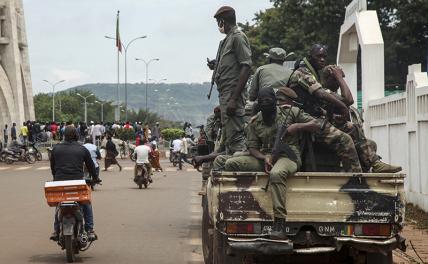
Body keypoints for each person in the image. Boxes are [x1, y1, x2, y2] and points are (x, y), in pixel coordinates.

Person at [223, 88, 320, 240]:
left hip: (288, 157)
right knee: (231, 164)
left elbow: (316, 124)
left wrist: (298, 126)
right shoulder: (255, 122)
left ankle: (279, 224)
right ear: (259, 104)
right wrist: (264, 158)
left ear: (275, 101)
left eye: (269, 100)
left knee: (276, 174)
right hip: (267, 157)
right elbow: (253, 148)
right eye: (262, 101)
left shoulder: (291, 112)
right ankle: (238, 206)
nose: (266, 103)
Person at [288, 44, 362, 172]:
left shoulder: (315, 76)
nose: (322, 59)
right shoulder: (302, 72)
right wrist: (343, 107)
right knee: (345, 140)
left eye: (324, 57)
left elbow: (348, 100)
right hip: (305, 120)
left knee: (352, 128)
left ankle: (372, 164)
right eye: (319, 56)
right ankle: (356, 178)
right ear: (310, 57)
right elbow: (321, 93)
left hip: (316, 119)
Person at [320, 65, 402, 173]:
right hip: (322, 133)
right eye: (335, 79)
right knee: (351, 127)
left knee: (370, 143)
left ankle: (369, 168)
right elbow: (349, 100)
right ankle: (375, 164)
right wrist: (340, 77)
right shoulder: (323, 91)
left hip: (332, 132)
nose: (338, 83)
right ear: (327, 79)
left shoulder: (332, 94)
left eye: (339, 79)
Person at [208, 6, 252, 155]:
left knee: (236, 138)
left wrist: (234, 98)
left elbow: (246, 66)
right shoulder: (227, 40)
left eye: (218, 23)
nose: (218, 26)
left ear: (223, 21)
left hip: (232, 94)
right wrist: (216, 65)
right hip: (225, 94)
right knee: (228, 136)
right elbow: (231, 64)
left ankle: (240, 168)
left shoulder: (238, 37)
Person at [49, 126, 98, 241]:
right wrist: (95, 178)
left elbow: (53, 167)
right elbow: (91, 166)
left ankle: (56, 230)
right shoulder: (82, 149)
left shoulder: (56, 149)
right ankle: (90, 229)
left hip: (60, 182)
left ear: (64, 135)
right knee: (86, 203)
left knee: (58, 205)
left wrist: (56, 177)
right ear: (76, 135)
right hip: (78, 182)